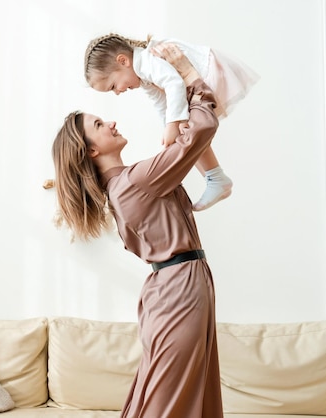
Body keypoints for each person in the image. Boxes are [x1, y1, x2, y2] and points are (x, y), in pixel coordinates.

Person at [52, 44, 223, 417]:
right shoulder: (135, 182)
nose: (111, 122)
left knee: (179, 392)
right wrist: (190, 77)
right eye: (99, 125)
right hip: (179, 289)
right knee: (172, 398)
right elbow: (202, 128)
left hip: (175, 287)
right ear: (92, 150)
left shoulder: (124, 186)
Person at [83, 33, 259, 211]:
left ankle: (215, 177)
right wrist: (168, 126)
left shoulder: (147, 61)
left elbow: (174, 84)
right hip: (199, 80)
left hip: (208, 72)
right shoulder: (142, 73)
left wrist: (174, 124)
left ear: (123, 61)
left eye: (113, 86)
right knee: (183, 134)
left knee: (189, 131)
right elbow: (162, 102)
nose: (118, 92)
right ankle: (215, 177)